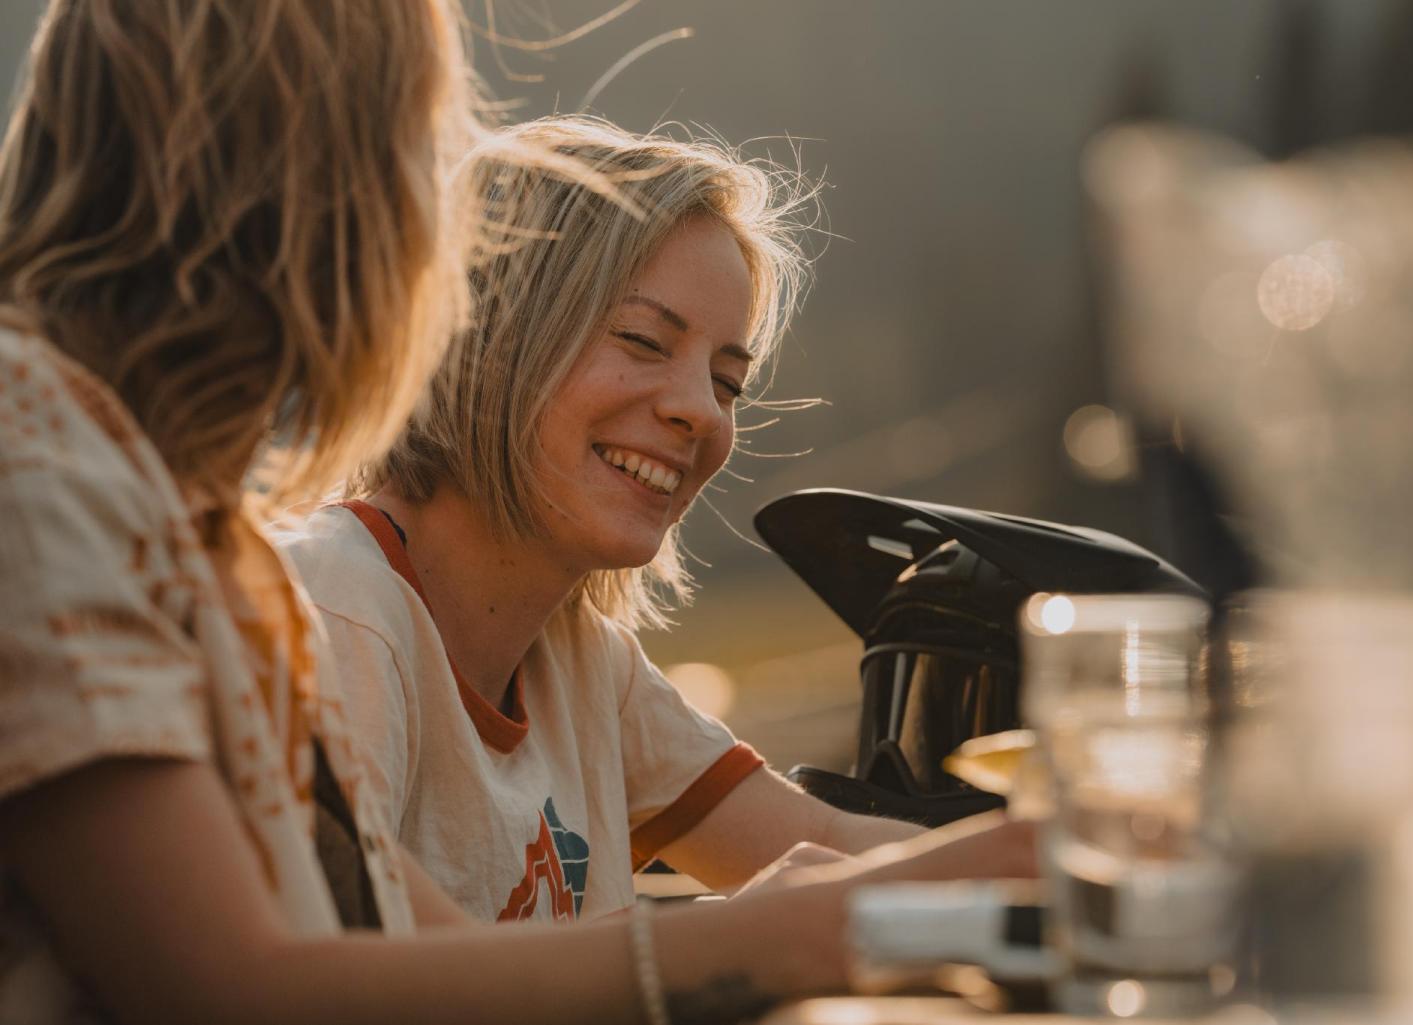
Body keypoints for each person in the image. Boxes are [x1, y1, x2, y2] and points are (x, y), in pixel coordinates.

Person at [0, 4, 1034, 1024]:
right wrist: (804, 933)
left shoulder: (205, 551)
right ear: (285, 171)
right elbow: (235, 987)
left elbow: (409, 949)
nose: (435, 235)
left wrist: (997, 866)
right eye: (413, 146)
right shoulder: (43, 459)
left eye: (729, 379)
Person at [278, 116, 926, 924]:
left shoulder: (583, 664)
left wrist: (1069, 845)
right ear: (486, 334)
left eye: (728, 382)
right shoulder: (335, 620)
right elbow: (401, 982)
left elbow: (818, 840)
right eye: (644, 340)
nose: (700, 411)